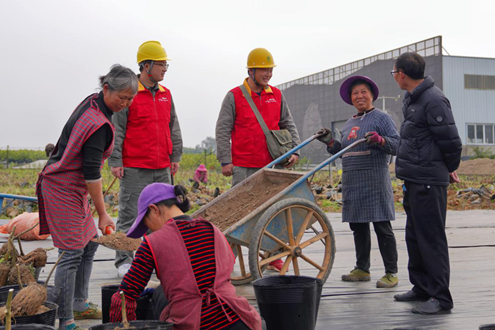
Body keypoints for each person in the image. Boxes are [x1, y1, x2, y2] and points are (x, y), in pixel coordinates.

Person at [36, 65, 138, 330]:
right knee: (70, 253)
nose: (124, 104)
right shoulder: (98, 126)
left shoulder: (95, 104)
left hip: (73, 188)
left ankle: (79, 304)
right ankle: (65, 319)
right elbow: (92, 174)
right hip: (61, 187)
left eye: (129, 99)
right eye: (121, 98)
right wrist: (103, 213)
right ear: (106, 89)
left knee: (90, 243)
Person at [109, 183, 263, 330]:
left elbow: (125, 295)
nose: (148, 230)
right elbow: (227, 267)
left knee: (160, 293)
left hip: (192, 324)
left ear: (154, 209)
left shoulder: (152, 242)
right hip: (237, 320)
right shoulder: (213, 230)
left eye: (146, 223)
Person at [215, 48, 301, 272]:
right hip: (243, 166)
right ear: (251, 70)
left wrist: (295, 150)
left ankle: (272, 257)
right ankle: (227, 261)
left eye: (270, 69)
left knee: (272, 212)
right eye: (263, 69)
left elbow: (287, 123)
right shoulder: (234, 96)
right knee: (237, 215)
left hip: (272, 165)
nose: (268, 74)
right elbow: (223, 129)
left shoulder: (277, 95)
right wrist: (226, 160)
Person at [391, 52, 462, 314]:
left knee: (431, 239)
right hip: (415, 178)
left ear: (402, 74)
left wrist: (449, 168)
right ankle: (421, 286)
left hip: (429, 181)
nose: (394, 77)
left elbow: (452, 142)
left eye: (394, 72)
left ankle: (441, 298)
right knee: (415, 236)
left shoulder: (433, 100)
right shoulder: (413, 99)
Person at [108, 41, 183, 277]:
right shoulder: (131, 93)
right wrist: (115, 160)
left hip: (162, 168)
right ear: (146, 66)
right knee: (129, 214)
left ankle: (155, 258)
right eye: (161, 64)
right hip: (135, 166)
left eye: (165, 64)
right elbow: (117, 128)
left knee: (162, 216)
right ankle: (124, 260)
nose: (165, 69)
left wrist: (175, 155)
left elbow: (174, 127)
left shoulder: (166, 94)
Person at [317, 76, 400, 289]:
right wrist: (330, 141)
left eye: (363, 92)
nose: (359, 96)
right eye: (355, 93)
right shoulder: (350, 123)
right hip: (353, 180)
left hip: (374, 179)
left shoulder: (382, 118)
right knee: (359, 227)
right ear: (350, 98)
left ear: (371, 94)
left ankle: (391, 272)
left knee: (382, 226)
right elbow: (344, 152)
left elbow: (398, 145)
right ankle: (362, 268)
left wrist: (381, 140)